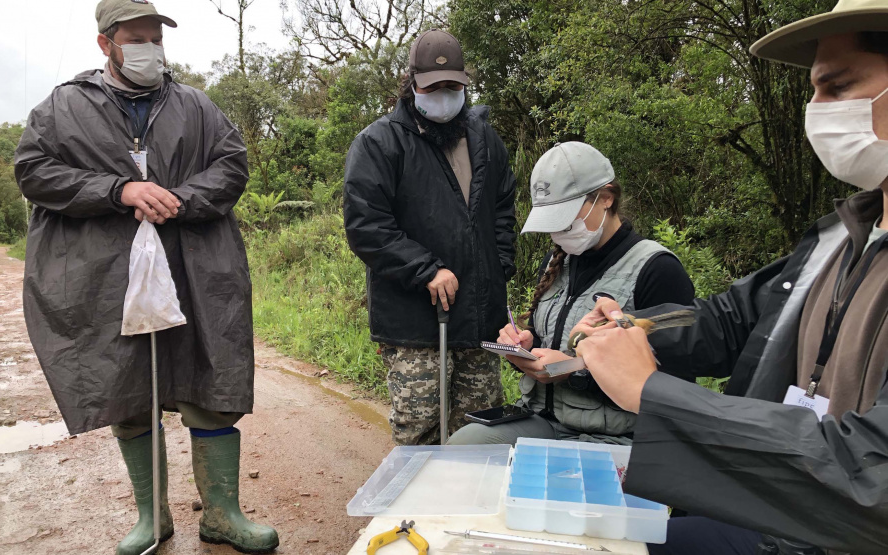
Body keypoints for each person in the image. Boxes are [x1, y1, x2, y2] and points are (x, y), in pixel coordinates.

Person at [569, 2, 888, 553]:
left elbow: (871, 475)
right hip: (777, 515)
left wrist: (653, 393)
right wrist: (632, 326)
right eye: (812, 91)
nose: (814, 111)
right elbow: (730, 319)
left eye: (837, 88)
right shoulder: (838, 237)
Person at [13, 1, 279, 553]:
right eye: (137, 38)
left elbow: (232, 165)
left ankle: (223, 514)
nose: (150, 49)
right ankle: (151, 517)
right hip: (106, 273)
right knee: (127, 387)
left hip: (196, 266)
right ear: (105, 44)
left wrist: (181, 198)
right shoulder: (63, 107)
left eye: (156, 38)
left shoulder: (197, 105)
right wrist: (117, 190)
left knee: (210, 380)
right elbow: (34, 171)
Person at [447, 142, 694, 446]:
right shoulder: (556, 263)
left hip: (617, 435)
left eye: (565, 219)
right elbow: (546, 340)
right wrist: (526, 347)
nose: (557, 233)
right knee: (465, 445)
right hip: (546, 422)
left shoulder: (656, 269)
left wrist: (571, 370)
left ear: (606, 198)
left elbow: (674, 381)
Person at [344, 29, 517, 445]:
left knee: (479, 430)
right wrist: (426, 270)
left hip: (480, 320)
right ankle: (418, 512)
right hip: (417, 322)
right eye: (433, 87)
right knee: (420, 431)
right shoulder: (378, 143)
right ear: (412, 84)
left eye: (453, 86)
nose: (444, 94)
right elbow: (367, 226)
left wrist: (500, 267)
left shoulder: (484, 139)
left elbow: (503, 209)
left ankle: (469, 511)